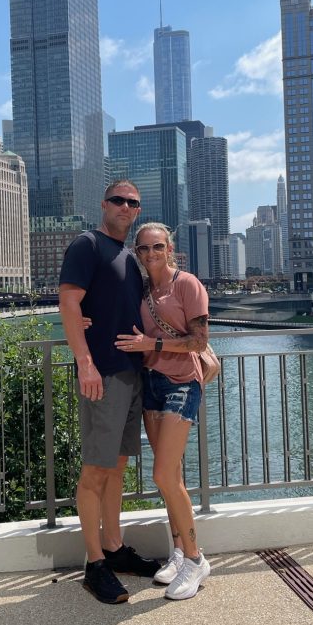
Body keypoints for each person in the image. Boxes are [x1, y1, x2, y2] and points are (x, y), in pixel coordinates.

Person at [58, 180, 161, 605]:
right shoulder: (88, 245)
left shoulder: (130, 257)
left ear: (138, 211)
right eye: (118, 200)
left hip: (131, 373)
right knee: (95, 470)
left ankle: (115, 548)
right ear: (104, 205)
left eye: (132, 202)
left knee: (117, 467)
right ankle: (94, 563)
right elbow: (68, 302)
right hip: (102, 373)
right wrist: (85, 362)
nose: (125, 206)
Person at [114, 223, 211, 601]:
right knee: (171, 477)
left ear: (169, 248)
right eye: (144, 248)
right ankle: (177, 551)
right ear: (137, 253)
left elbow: (199, 340)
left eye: (158, 246)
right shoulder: (143, 290)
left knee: (162, 475)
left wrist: (150, 343)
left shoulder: (187, 284)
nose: (151, 253)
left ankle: (195, 559)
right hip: (151, 384)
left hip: (181, 384)